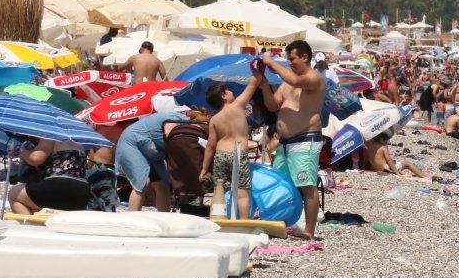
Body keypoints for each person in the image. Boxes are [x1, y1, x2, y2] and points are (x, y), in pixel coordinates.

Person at [258, 41, 326, 240]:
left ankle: (309, 231)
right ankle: (284, 223)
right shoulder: (287, 81)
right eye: (288, 59)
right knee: (280, 182)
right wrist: (264, 86)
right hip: (285, 142)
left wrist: (270, 62)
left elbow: (296, 82)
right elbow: (272, 106)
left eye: (292, 58)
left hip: (305, 138)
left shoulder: (314, 78)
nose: (289, 62)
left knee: (307, 184)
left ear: (305, 57)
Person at [202, 76, 261, 219]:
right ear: (223, 96)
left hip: (221, 154)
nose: (231, 91)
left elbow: (210, 145)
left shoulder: (214, 119)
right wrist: (257, 70)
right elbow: (252, 83)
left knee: (219, 189)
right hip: (238, 153)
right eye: (228, 90)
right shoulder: (238, 105)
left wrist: (204, 169)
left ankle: (217, 219)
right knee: (242, 192)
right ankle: (244, 221)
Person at [116, 108, 193, 211]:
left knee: (163, 185)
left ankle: (163, 217)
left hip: (151, 150)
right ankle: (133, 219)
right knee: (141, 185)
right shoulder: (175, 119)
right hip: (132, 143)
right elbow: (169, 135)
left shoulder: (185, 123)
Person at [8, 138, 92, 213]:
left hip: (60, 186)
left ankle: (30, 228)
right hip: (82, 193)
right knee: (33, 202)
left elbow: (35, 158)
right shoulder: (77, 139)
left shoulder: (52, 133)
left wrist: (22, 152)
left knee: (14, 194)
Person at [361, 131, 430, 179]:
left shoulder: (369, 148)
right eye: (386, 140)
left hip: (377, 169)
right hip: (385, 169)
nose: (387, 142)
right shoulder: (383, 147)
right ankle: (423, 175)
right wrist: (397, 173)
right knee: (406, 163)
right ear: (381, 139)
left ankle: (421, 174)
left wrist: (363, 168)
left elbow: (368, 159)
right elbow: (389, 160)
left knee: (397, 163)